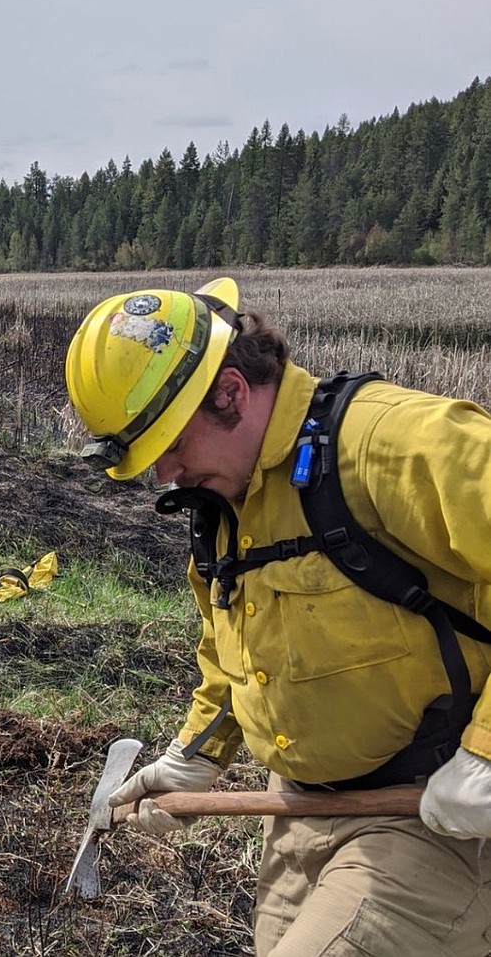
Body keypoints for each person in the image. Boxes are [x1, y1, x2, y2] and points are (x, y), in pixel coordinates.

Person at [64, 276, 491, 956]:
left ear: (231, 391)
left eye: (170, 444)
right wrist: (194, 757)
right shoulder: (221, 506)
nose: (165, 473)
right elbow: (233, 644)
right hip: (298, 814)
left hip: (429, 816)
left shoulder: (391, 443)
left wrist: (485, 755)